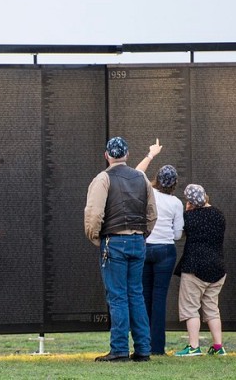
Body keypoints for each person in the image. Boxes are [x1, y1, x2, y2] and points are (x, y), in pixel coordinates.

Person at [84, 136, 157, 362]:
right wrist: (142, 235)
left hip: (114, 241)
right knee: (136, 294)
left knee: (117, 297)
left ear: (107, 155)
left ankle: (119, 350)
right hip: (137, 241)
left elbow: (94, 214)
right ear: (126, 155)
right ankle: (143, 349)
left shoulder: (103, 178)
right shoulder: (141, 178)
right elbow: (152, 214)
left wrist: (96, 237)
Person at [134, 139, 184, 355]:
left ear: (157, 179)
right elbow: (177, 234)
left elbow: (137, 172)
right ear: (174, 183)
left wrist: (151, 154)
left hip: (146, 247)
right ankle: (157, 347)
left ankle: (142, 345)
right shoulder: (176, 203)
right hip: (165, 251)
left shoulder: (149, 193)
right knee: (159, 299)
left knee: (144, 297)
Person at [173, 184, 227, 356]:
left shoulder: (189, 218)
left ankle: (193, 346)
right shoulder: (219, 215)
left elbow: (179, 233)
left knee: (190, 308)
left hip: (194, 268)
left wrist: (188, 210)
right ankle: (218, 347)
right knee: (212, 308)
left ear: (190, 202)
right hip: (218, 268)